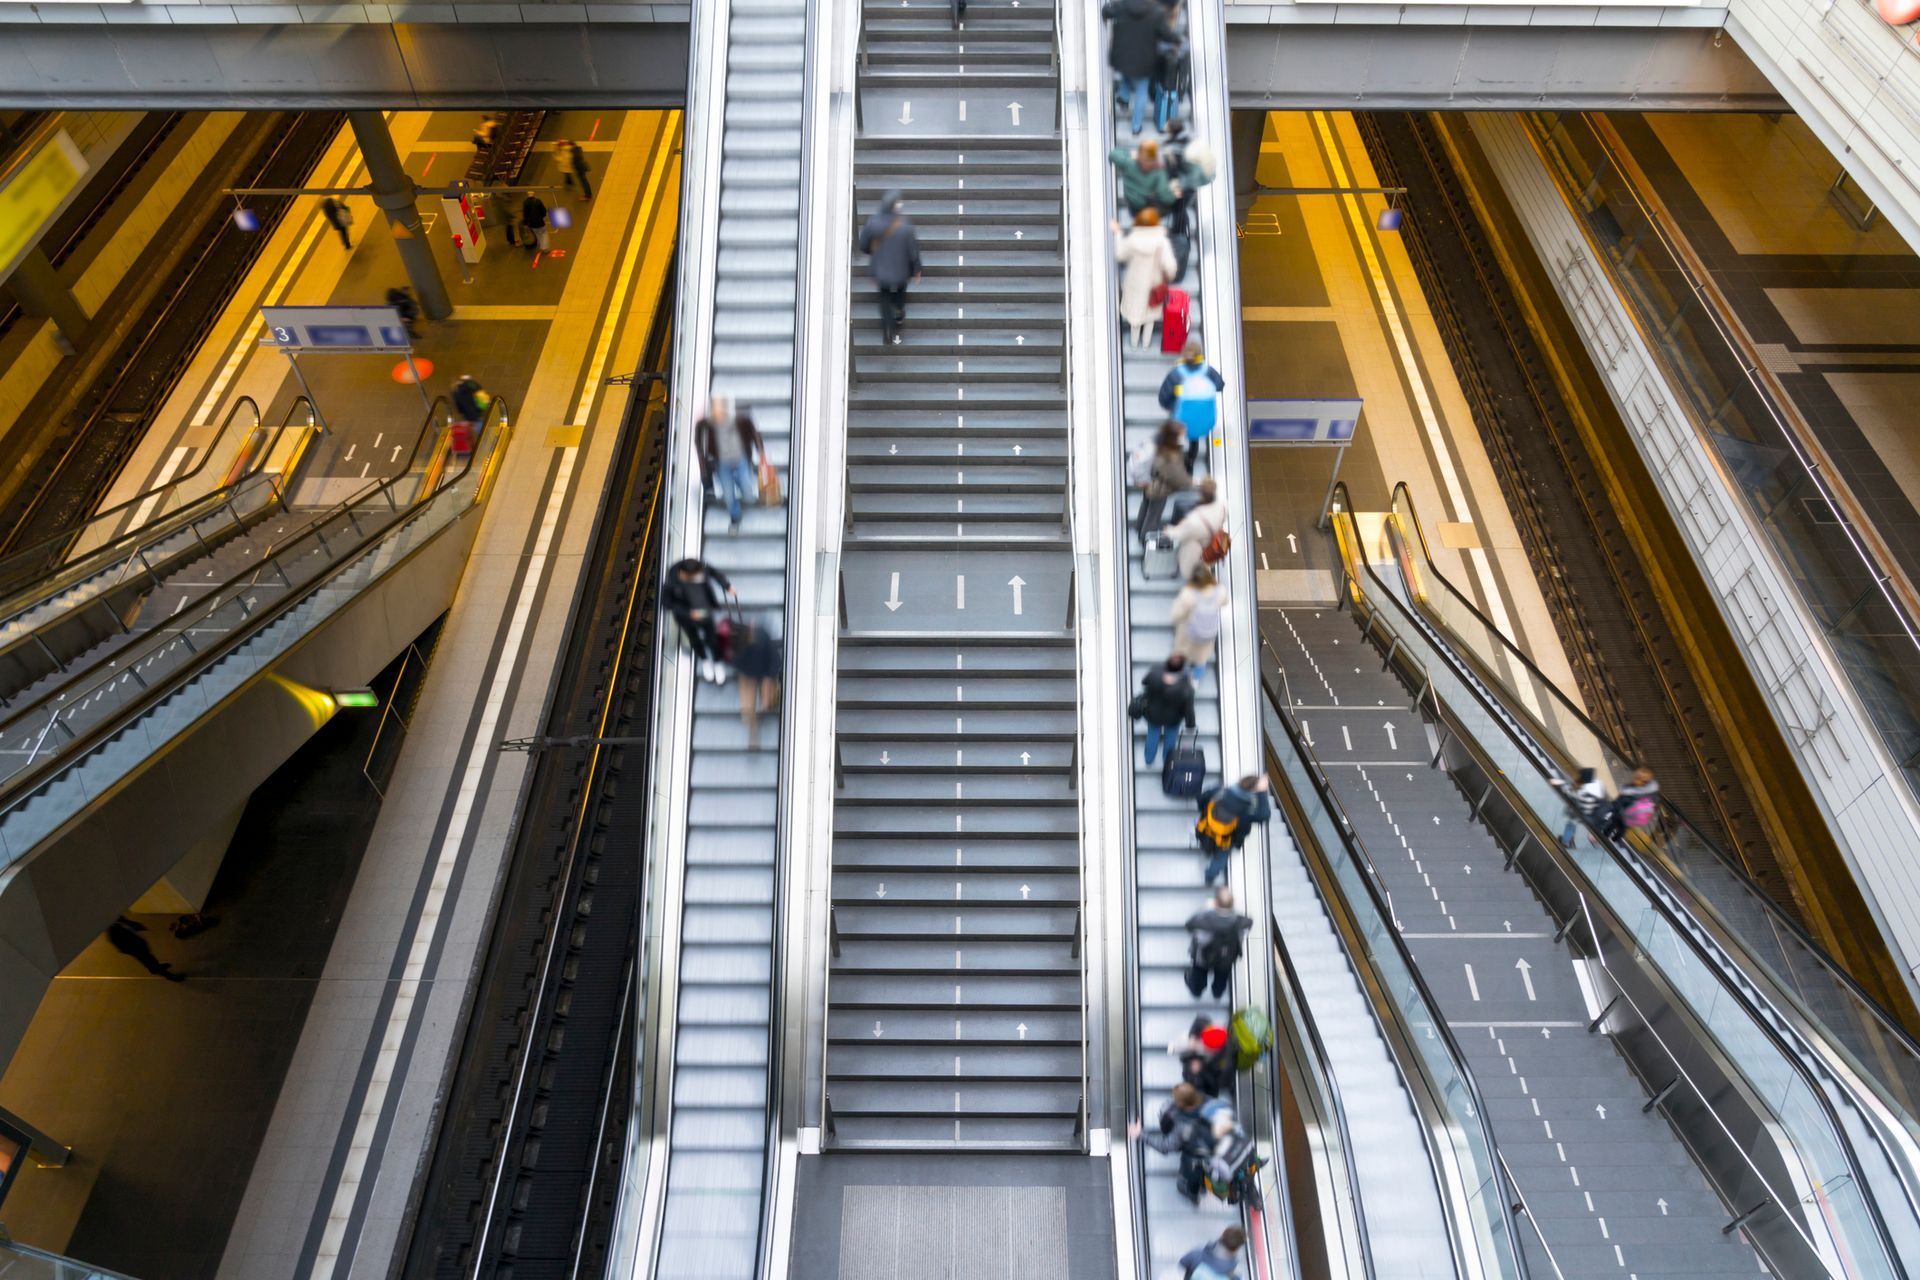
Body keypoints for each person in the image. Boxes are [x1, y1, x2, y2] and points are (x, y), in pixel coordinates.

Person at [1134, 1083, 1222, 1205]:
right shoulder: (1211, 1103)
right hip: (1216, 1150)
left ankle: (1192, 1193)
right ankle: (1204, 1184)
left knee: (1192, 1171)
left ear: (1181, 1104)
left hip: (1194, 1156)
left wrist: (1141, 1134)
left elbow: (1165, 1147)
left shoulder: (1182, 1125)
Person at [1104, 0, 1178, 137]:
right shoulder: (1156, 12)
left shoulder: (1123, 5)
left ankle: (1124, 97)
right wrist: (1178, 40)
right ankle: (1136, 126)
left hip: (1123, 56)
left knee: (1126, 72)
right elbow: (1166, 34)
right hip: (1144, 60)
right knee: (1141, 91)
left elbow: (1107, 12)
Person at [858, 190, 921, 346]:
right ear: (895, 207)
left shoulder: (873, 222)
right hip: (901, 269)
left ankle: (887, 328)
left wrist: (872, 252)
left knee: (884, 297)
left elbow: (864, 245)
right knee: (900, 291)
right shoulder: (905, 225)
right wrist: (916, 269)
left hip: (881, 269)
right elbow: (913, 250)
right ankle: (899, 313)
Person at [695, 397, 764, 534]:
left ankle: (743, 488)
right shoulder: (706, 424)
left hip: (740, 459)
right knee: (728, 493)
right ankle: (735, 517)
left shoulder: (740, 420)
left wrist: (761, 452)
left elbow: (754, 434)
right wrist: (702, 462)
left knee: (746, 488)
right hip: (722, 463)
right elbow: (698, 438)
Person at [664, 558, 736, 683]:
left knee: (712, 638)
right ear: (684, 574)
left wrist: (727, 586)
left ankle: (717, 662)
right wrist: (688, 613)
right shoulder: (672, 580)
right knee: (694, 639)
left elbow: (715, 573)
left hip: (705, 612)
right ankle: (705, 660)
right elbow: (667, 603)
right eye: (693, 579)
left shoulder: (700, 569)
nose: (696, 580)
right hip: (687, 618)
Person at [1114, 209, 1175, 350]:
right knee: (1150, 319)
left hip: (1135, 285)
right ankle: (1146, 345)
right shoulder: (1162, 242)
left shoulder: (1133, 239)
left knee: (1135, 320)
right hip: (1154, 285)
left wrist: (1117, 234)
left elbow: (1120, 254)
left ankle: (1134, 345)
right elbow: (1171, 267)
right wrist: (1169, 276)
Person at [1159, 343, 1226, 471]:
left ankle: (1174, 460)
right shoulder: (1207, 371)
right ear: (1199, 356)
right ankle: (1190, 461)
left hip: (1180, 418)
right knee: (1193, 440)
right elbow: (1220, 385)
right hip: (1200, 420)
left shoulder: (1176, 374)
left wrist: (1171, 404)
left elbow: (1163, 399)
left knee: (1175, 436)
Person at [1195, 774, 1272, 885]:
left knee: (1206, 841)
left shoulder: (1219, 791)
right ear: (1253, 793)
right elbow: (1264, 815)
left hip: (1205, 829)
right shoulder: (1246, 811)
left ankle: (1206, 849)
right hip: (1226, 840)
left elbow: (1200, 799)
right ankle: (1209, 877)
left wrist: (1204, 811)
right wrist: (1262, 792)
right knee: (1220, 859)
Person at [1185, 886, 1252, 1000]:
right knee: (1221, 978)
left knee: (1198, 976)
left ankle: (1197, 991)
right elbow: (1246, 929)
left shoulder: (1205, 919)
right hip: (1226, 958)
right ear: (1232, 904)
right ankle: (1217, 993)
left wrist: (1205, 909)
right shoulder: (1241, 921)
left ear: (1215, 903)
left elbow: (1189, 926)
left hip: (1203, 958)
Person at [1129, 653, 1196, 767]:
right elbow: (1188, 709)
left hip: (1153, 715)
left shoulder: (1155, 673)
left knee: (1152, 737)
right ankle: (1167, 762)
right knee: (1170, 742)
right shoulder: (1186, 687)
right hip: (1173, 720)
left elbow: (1144, 682)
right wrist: (1190, 725)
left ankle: (1149, 759)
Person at [1135, 420, 1192, 544]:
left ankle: (1139, 528)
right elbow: (1172, 475)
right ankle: (1146, 538)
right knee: (1154, 515)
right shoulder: (1169, 454)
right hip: (1159, 489)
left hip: (1149, 482)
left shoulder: (1158, 441)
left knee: (1146, 507)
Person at [731, 617, 783, 750]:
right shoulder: (736, 652)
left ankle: (768, 705)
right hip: (749, 674)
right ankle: (753, 732)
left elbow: (775, 661)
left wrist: (767, 679)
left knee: (769, 701)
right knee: (748, 709)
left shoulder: (761, 636)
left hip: (765, 671)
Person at [1170, 566, 1227, 681]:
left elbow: (1175, 615)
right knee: (1201, 658)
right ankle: (1195, 678)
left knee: (1183, 654)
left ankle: (1180, 674)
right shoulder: (1220, 591)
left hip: (1189, 634)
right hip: (1207, 635)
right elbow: (1225, 602)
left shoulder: (1189, 595)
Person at [1167, 478, 1226, 582]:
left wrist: (1170, 530)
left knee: (1190, 565)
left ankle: (1193, 580)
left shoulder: (1194, 519)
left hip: (1195, 548)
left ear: (1202, 494)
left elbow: (1177, 534)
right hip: (1211, 546)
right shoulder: (1222, 508)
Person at [1109, 139, 1179, 216]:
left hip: (1133, 203)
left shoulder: (1129, 164)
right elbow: (1164, 196)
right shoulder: (1158, 171)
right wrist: (1174, 196)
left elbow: (1113, 154)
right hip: (1148, 205)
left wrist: (1130, 154)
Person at [1169, 1016, 1234, 1097]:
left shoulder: (1225, 1062)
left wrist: (1201, 1069)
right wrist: (1193, 1037)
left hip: (1208, 1085)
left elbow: (1201, 1020)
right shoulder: (1189, 1072)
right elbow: (1200, 1020)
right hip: (1209, 1062)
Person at [107, 916, 184, 982]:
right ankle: (168, 976)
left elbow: (128, 924)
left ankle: (156, 967)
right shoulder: (113, 932)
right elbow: (121, 948)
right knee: (150, 962)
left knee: (151, 958)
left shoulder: (118, 919)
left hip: (139, 945)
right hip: (136, 949)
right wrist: (135, 950)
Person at [1550, 766, 1609, 848]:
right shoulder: (1598, 784)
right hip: (1599, 812)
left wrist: (1560, 784)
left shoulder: (1584, 791)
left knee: (1571, 823)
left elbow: (1573, 794)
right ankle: (1596, 841)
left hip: (1587, 814)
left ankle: (1565, 841)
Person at [1602, 765, 1660, 840]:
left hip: (1623, 813)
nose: (1635, 777)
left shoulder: (1634, 790)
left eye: (1638, 777)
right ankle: (1614, 839)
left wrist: (1614, 806)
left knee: (1614, 824)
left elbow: (1621, 800)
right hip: (1630, 817)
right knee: (1622, 828)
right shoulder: (1650, 792)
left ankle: (1605, 838)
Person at [1179, 1226, 1247, 1280]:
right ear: (1237, 1249)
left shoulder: (1196, 1255)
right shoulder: (1233, 1277)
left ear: (1222, 1235)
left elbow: (1182, 1263)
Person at [450, 374, 491, 457]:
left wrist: (462, 413)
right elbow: (480, 390)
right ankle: (486, 444)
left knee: (473, 426)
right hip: (475, 412)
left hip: (467, 414)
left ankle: (474, 442)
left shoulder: (456, 392)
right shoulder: (472, 386)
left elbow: (458, 407)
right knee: (479, 426)